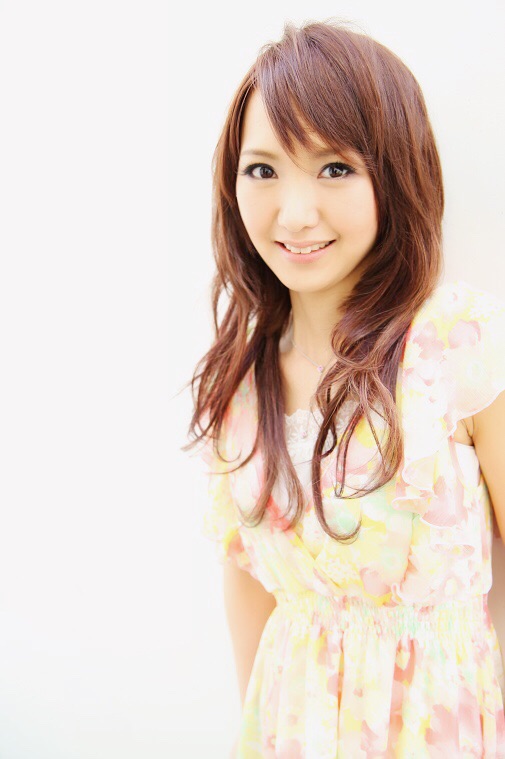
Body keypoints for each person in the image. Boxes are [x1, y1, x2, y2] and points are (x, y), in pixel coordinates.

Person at [184, 19, 505, 757]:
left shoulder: (454, 343)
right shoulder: (241, 381)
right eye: (262, 170)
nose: (295, 214)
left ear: (394, 171)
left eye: (333, 168)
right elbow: (248, 588)